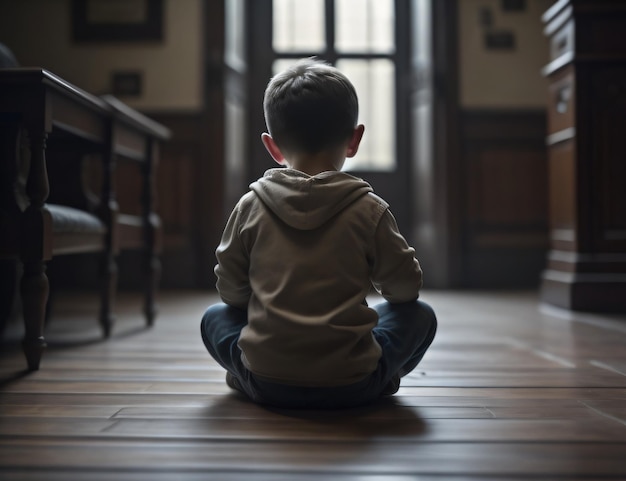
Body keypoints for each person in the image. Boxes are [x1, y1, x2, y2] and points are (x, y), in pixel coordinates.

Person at [201, 57, 437, 409]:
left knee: (214, 317)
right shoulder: (370, 210)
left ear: (272, 146)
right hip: (350, 382)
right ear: (354, 139)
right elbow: (405, 291)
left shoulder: (250, 206)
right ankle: (379, 379)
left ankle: (244, 377)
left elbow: (231, 293)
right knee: (421, 315)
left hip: (268, 380)